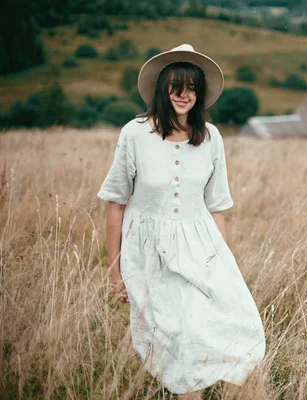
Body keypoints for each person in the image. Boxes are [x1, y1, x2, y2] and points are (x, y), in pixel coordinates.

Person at [97, 44, 266, 399]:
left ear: (199, 93)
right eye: (176, 85)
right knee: (181, 342)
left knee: (237, 327)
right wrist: (115, 274)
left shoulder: (211, 138)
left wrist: (220, 264)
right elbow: (115, 206)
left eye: (191, 87)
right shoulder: (135, 134)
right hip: (149, 252)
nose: (183, 94)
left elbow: (216, 207)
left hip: (201, 247)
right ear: (162, 88)